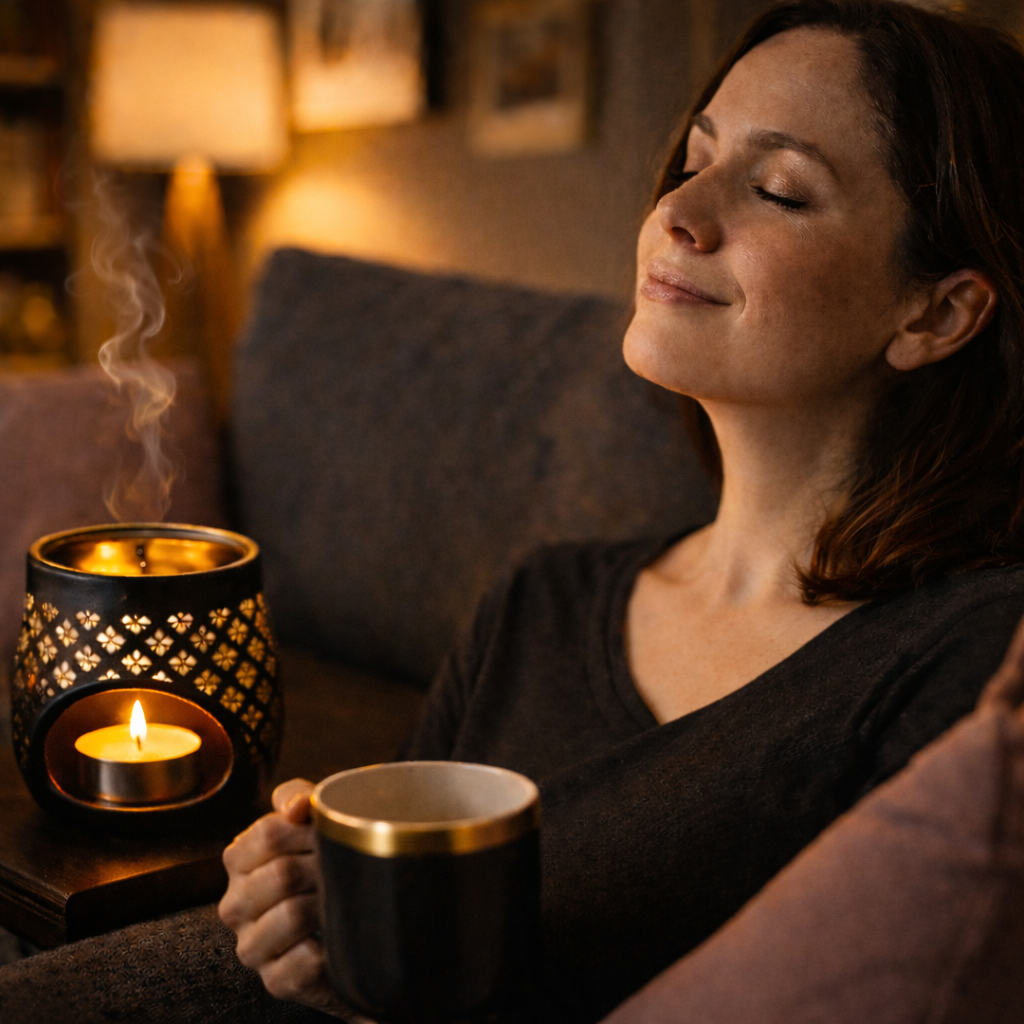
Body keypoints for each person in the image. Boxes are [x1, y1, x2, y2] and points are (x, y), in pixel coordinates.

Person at [218, 2, 1024, 1021]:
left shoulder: (976, 663)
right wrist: (327, 935)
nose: (679, 212)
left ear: (936, 311)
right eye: (694, 158)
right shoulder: (539, 600)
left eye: (778, 189)